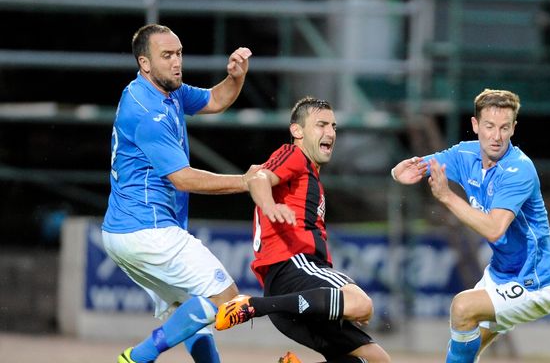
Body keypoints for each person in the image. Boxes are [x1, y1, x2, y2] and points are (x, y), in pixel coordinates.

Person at [102, 23, 259, 363]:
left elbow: (216, 99)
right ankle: (139, 357)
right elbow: (183, 179)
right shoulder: (149, 113)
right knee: (226, 299)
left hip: (121, 232)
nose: (177, 62)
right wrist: (246, 182)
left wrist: (235, 77)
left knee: (190, 315)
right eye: (167, 56)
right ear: (145, 63)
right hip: (149, 229)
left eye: (179, 54)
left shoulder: (165, 91)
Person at [390, 89, 550, 363]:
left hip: (535, 281)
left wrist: (446, 197)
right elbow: (423, 166)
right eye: (489, 126)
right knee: (462, 352)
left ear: (514, 128)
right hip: (499, 275)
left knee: (462, 307)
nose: (496, 136)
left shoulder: (519, 170)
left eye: (505, 128)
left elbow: (494, 229)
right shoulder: (464, 154)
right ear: (475, 125)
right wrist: (401, 171)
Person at [214, 97, 391, 363]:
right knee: (361, 303)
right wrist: (269, 204)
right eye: (321, 125)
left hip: (298, 297)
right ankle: (252, 306)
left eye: (333, 126)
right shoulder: (294, 155)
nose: (330, 132)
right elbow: (260, 178)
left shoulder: (310, 176)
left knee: (377, 359)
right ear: (297, 131)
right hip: (294, 268)